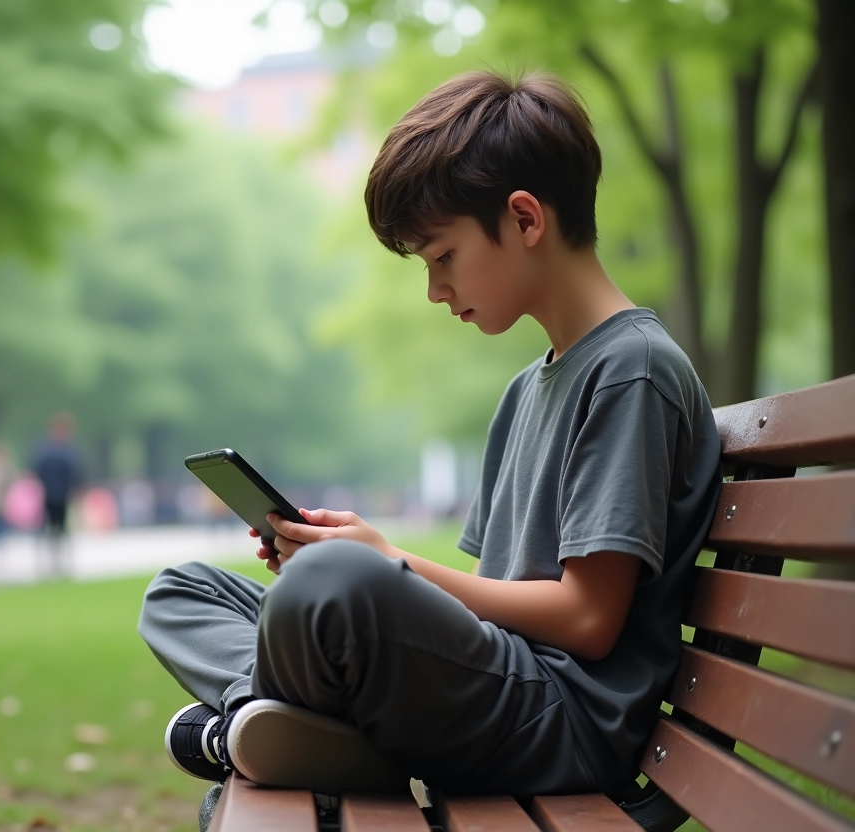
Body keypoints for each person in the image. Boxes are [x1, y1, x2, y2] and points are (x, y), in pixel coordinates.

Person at [139, 70, 722, 807]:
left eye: (443, 256)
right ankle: (278, 724)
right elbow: (486, 606)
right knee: (183, 590)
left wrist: (386, 564)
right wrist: (365, 567)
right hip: (503, 688)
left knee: (329, 587)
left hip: (562, 723)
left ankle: (265, 727)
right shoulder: (528, 389)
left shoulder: (631, 371)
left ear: (525, 219)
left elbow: (587, 621)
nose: (434, 290)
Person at [30, 412, 84, 577]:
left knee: (57, 531)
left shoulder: (46, 451)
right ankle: (53, 564)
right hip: (53, 496)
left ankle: (57, 564)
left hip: (58, 496)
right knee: (54, 531)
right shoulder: (66, 452)